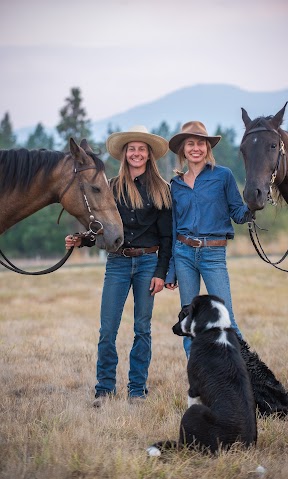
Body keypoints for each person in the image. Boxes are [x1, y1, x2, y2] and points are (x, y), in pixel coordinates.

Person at [66, 125, 172, 405]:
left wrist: (161, 273)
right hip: (118, 263)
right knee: (108, 329)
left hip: (149, 263)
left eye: (141, 149)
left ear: (149, 155)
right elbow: (102, 227)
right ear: (124, 154)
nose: (136, 153)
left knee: (142, 328)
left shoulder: (161, 190)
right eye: (132, 149)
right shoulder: (111, 187)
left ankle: (137, 389)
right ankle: (105, 388)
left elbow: (167, 237)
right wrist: (83, 240)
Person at [165, 121, 252, 358]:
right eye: (190, 144)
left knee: (226, 318)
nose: (196, 148)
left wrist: (253, 205)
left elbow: (238, 212)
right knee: (189, 320)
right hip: (183, 253)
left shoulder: (223, 176)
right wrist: (171, 270)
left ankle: (248, 377)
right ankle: (201, 380)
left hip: (213, 255)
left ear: (207, 148)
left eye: (200, 143)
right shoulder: (176, 184)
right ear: (182, 149)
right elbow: (173, 228)